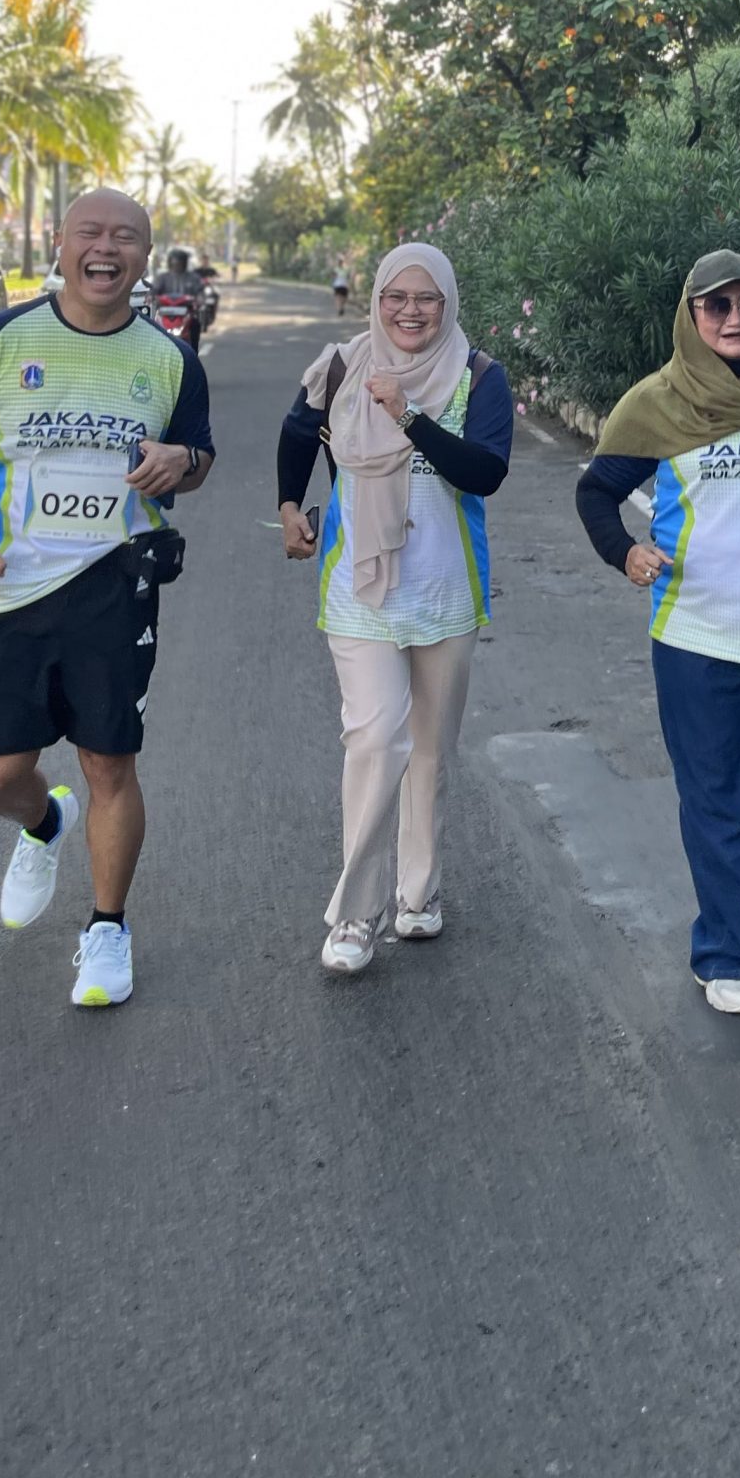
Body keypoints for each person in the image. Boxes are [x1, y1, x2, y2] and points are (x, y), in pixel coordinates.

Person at [0, 188, 214, 1010]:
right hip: (14, 589)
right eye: (91, 231)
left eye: (126, 237)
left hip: (117, 588)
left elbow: (200, 459)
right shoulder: (1, 338)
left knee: (109, 762)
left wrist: (178, 461)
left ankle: (108, 930)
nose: (106, 248)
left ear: (145, 257)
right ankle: (42, 824)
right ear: (59, 244)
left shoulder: (169, 360)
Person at [575, 251, 740, 1018]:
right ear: (691, 316)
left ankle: (720, 857)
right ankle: (725, 949)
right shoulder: (656, 402)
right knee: (719, 793)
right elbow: (596, 492)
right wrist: (624, 550)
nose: (736, 320)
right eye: (717, 306)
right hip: (696, 635)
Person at [279, 242, 512, 975]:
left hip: (447, 593)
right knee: (378, 741)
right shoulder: (344, 366)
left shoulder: (478, 377)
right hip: (360, 589)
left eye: (427, 299)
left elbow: (486, 471)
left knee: (431, 755)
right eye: (396, 297)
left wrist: (410, 416)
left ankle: (419, 893)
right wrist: (289, 506)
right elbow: (295, 434)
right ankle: (355, 913)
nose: (410, 312)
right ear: (376, 300)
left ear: (447, 304)